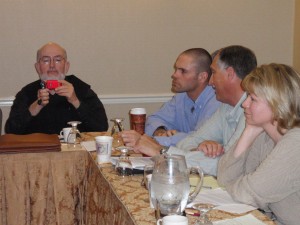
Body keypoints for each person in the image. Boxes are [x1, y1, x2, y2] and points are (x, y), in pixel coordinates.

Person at [122, 45, 257, 176]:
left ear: (230, 74)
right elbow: (191, 140)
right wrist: (198, 149)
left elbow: (223, 166)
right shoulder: (226, 107)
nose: (210, 82)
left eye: (214, 73)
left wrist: (161, 152)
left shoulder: (252, 112)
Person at [217, 64, 300, 225]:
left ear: (277, 103)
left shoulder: (295, 143)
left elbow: (249, 194)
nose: (244, 104)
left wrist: (242, 186)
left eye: (252, 99)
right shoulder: (266, 137)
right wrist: (249, 132)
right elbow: (225, 178)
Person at [5, 42, 108, 134]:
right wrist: (35, 107)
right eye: (46, 60)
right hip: (38, 153)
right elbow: (10, 131)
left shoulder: (82, 90)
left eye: (58, 60)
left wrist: (75, 101)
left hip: (74, 152)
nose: (52, 65)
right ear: (37, 67)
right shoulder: (27, 93)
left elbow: (102, 127)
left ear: (66, 66)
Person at [145, 48, 221, 146]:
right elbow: (155, 119)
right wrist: (160, 131)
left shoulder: (216, 100)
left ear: (202, 77)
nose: (174, 75)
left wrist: (160, 140)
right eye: (176, 69)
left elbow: (200, 139)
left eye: (183, 71)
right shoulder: (181, 96)